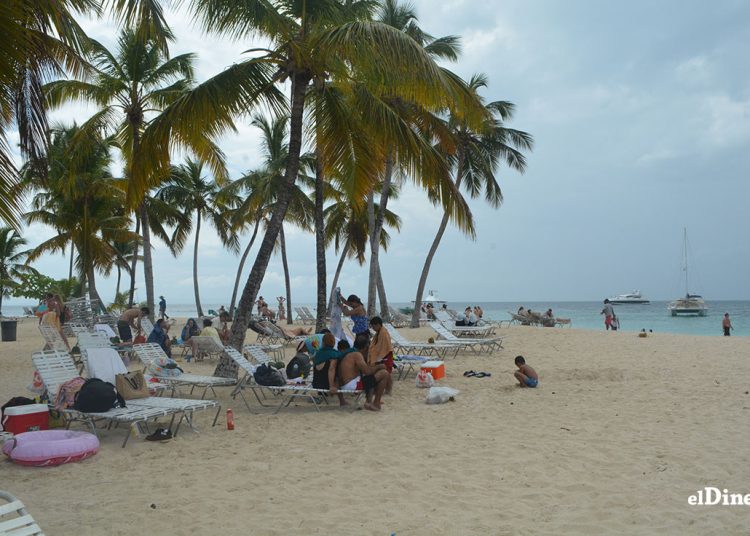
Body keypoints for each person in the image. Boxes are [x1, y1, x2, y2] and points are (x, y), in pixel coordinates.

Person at [338, 335, 391, 411]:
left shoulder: (350, 352)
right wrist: (379, 366)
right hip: (352, 385)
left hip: (345, 384)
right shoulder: (357, 355)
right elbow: (367, 371)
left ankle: (369, 401)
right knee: (384, 373)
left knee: (371, 378)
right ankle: (376, 403)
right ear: (366, 346)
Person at [311, 333, 347, 406]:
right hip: (326, 384)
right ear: (333, 342)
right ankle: (342, 401)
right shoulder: (334, 354)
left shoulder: (318, 353)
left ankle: (341, 400)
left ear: (323, 342)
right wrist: (331, 386)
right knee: (338, 373)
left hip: (316, 383)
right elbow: (331, 369)